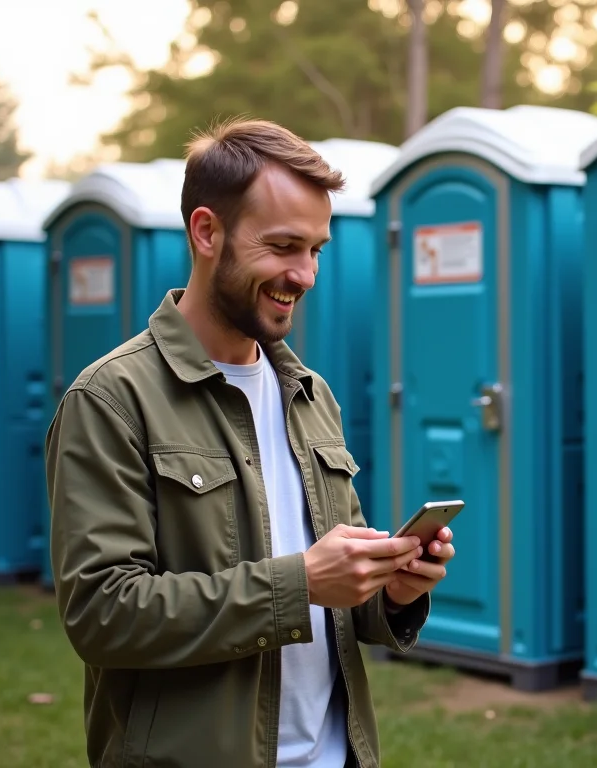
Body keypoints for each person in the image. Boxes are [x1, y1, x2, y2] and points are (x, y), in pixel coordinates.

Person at [44, 116, 455, 768]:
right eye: (284, 246)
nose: (305, 274)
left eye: (316, 250)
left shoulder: (312, 395)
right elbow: (103, 615)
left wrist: (392, 591)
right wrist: (300, 584)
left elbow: (337, 603)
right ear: (207, 232)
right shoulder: (111, 399)